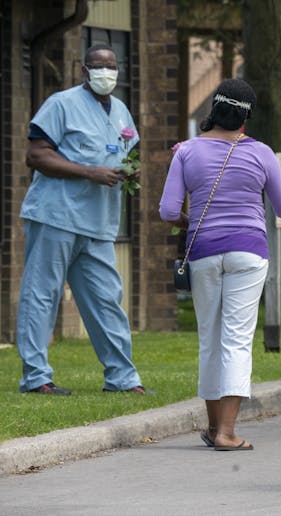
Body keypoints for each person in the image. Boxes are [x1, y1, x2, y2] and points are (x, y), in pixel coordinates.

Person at [159, 78, 281, 451]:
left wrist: (195, 220)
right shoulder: (262, 153)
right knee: (236, 340)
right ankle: (227, 433)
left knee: (210, 339)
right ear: (246, 118)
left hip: (203, 251)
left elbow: (169, 211)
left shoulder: (186, 152)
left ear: (214, 110)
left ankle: (212, 426)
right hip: (249, 253)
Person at [17, 44, 147, 395]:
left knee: (106, 299)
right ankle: (36, 378)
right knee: (42, 295)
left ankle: (122, 378)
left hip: (99, 222)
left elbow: (128, 154)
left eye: (111, 66)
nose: (106, 73)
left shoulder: (120, 111)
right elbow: (36, 155)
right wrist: (89, 172)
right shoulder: (61, 104)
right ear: (84, 70)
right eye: (98, 67)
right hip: (56, 215)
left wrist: (130, 173)